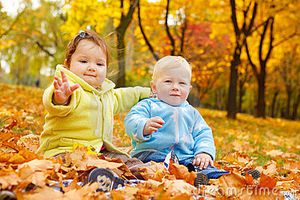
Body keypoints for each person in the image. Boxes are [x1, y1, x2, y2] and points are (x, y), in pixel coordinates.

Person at [37, 30, 150, 160]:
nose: (92, 67)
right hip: (64, 149)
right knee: (69, 162)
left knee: (123, 160)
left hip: (99, 150)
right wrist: (61, 98)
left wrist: (149, 93)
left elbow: (126, 95)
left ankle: (137, 172)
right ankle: (99, 175)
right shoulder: (70, 87)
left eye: (99, 64)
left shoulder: (106, 94)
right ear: (68, 64)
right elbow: (52, 103)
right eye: (84, 61)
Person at [125, 56, 228, 185]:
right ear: (154, 87)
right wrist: (143, 126)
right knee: (148, 166)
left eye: (182, 83)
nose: (175, 87)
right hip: (152, 154)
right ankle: (137, 176)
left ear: (189, 89)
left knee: (199, 166)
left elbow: (203, 133)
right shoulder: (148, 105)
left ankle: (218, 177)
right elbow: (131, 119)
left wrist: (203, 152)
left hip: (185, 158)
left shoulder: (192, 113)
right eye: (168, 81)